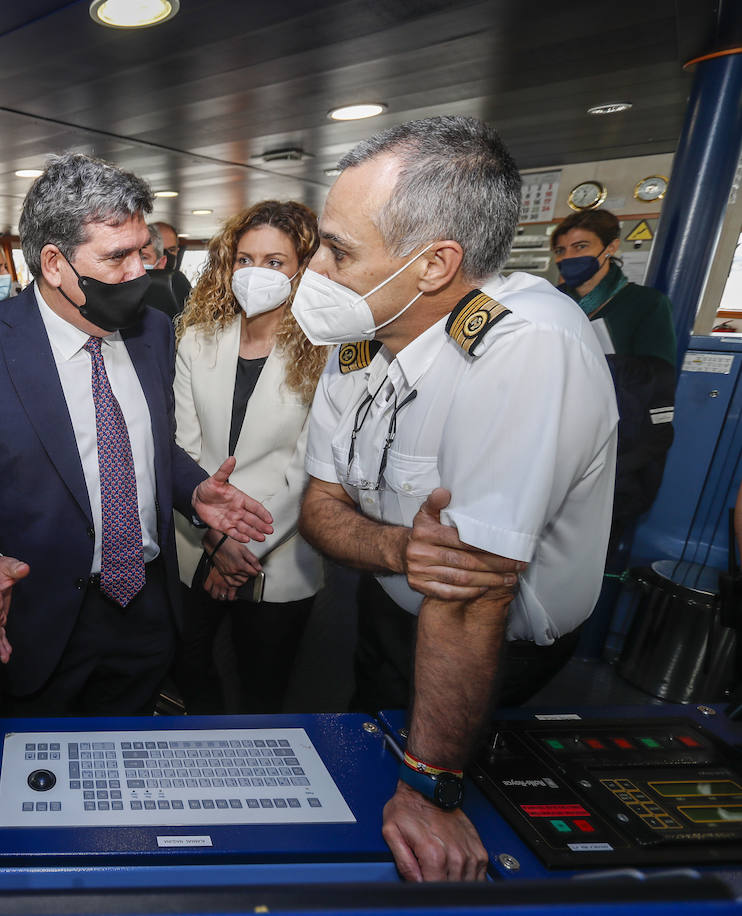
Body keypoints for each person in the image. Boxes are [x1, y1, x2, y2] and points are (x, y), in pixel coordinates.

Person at [294, 116, 618, 882]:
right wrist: (403, 550)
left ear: (435, 263)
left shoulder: (527, 347)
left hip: (494, 655)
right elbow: (319, 502)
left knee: (453, 851)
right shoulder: (365, 335)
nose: (316, 269)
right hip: (387, 615)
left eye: (338, 250)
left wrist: (432, 788)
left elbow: (473, 598)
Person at [0, 151, 274, 716]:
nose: (140, 273)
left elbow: (147, 448)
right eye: (117, 257)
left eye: (143, 253)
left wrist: (193, 491)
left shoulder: (152, 330)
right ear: (54, 264)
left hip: (146, 608)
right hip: (38, 616)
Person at [172, 200, 327, 715]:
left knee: (265, 688)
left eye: (275, 261)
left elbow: (312, 468)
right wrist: (216, 537)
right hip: (198, 543)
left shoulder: (330, 352)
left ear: (302, 269)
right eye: (244, 259)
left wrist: (242, 548)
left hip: (279, 554)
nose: (255, 273)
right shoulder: (197, 340)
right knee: (191, 670)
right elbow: (183, 446)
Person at [551, 209, 676, 544]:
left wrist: (594, 363)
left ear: (611, 247)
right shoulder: (553, 302)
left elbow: (657, 376)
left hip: (618, 437)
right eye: (561, 251)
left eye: (581, 247)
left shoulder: (645, 303)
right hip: (557, 431)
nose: (569, 258)